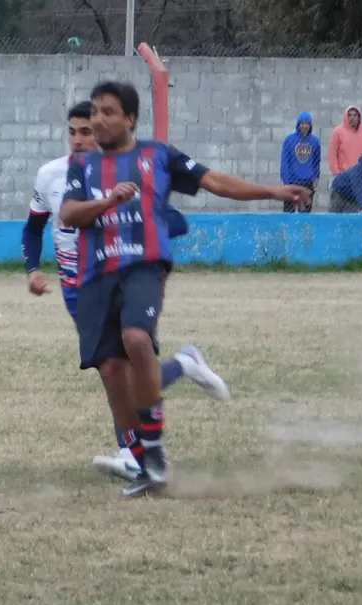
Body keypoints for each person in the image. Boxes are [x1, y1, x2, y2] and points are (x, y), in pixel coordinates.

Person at [59, 80, 311, 498]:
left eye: (107, 112)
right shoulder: (81, 167)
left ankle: (154, 453)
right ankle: (145, 465)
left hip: (143, 266)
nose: (98, 120)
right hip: (94, 278)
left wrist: (272, 191)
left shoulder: (158, 156)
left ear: (130, 119)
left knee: (137, 339)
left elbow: (215, 181)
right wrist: (107, 203)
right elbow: (68, 214)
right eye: (95, 112)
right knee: (111, 373)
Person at [22, 100, 230, 483]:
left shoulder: (123, 172)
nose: (80, 140)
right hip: (77, 288)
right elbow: (33, 228)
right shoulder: (50, 175)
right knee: (111, 370)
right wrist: (33, 270)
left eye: (87, 132)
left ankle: (134, 452)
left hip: (120, 277)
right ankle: (183, 367)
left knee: (127, 367)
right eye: (74, 132)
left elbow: (171, 219)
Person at [279, 112, 320, 213]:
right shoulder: (289, 140)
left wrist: (316, 176)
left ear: (310, 125)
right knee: (289, 212)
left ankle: (303, 228)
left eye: (307, 123)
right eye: (302, 123)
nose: (304, 126)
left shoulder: (314, 141)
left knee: (305, 212)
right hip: (292, 181)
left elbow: (316, 161)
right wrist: (286, 181)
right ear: (298, 124)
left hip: (307, 182)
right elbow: (285, 161)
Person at [328, 105, 362, 177]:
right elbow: (332, 155)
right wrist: (337, 174)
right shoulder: (338, 131)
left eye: (355, 115)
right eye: (349, 115)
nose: (352, 117)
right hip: (345, 175)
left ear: (359, 117)